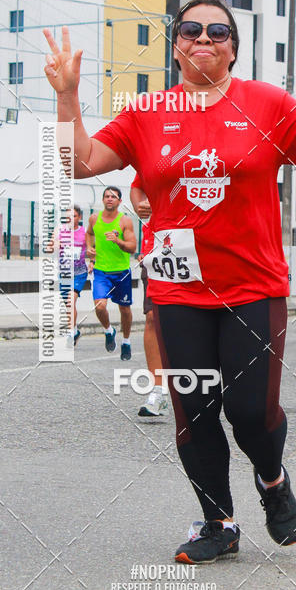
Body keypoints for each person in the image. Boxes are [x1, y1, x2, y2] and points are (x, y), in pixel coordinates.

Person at [43, 0, 296, 564]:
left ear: (233, 48)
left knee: (248, 412)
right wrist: (68, 97)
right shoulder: (146, 111)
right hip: (178, 291)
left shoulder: (265, 105)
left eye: (219, 31)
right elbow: (80, 161)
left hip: (252, 290)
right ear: (177, 46)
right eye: (191, 29)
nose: (204, 39)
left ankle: (271, 479)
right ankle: (218, 523)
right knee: (194, 412)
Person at [130, 177, 168, 417]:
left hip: (202, 247)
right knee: (153, 317)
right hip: (156, 251)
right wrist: (140, 204)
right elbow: (138, 187)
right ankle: (158, 391)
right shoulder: (156, 146)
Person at [85, 186, 137, 359]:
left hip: (121, 272)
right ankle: (109, 331)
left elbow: (132, 247)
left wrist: (118, 241)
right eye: (107, 196)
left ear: (119, 201)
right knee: (99, 306)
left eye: (113, 197)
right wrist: (89, 249)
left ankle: (126, 341)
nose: (109, 199)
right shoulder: (94, 218)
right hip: (101, 271)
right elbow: (89, 234)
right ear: (103, 200)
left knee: (125, 309)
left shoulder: (125, 221)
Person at [49, 204, 91, 345]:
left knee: (70, 301)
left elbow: (94, 249)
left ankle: (71, 333)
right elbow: (49, 247)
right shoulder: (59, 230)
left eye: (73, 216)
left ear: (79, 217)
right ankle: (75, 330)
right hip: (65, 274)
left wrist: (93, 262)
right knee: (68, 305)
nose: (70, 219)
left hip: (79, 273)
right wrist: (55, 245)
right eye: (67, 216)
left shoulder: (85, 232)